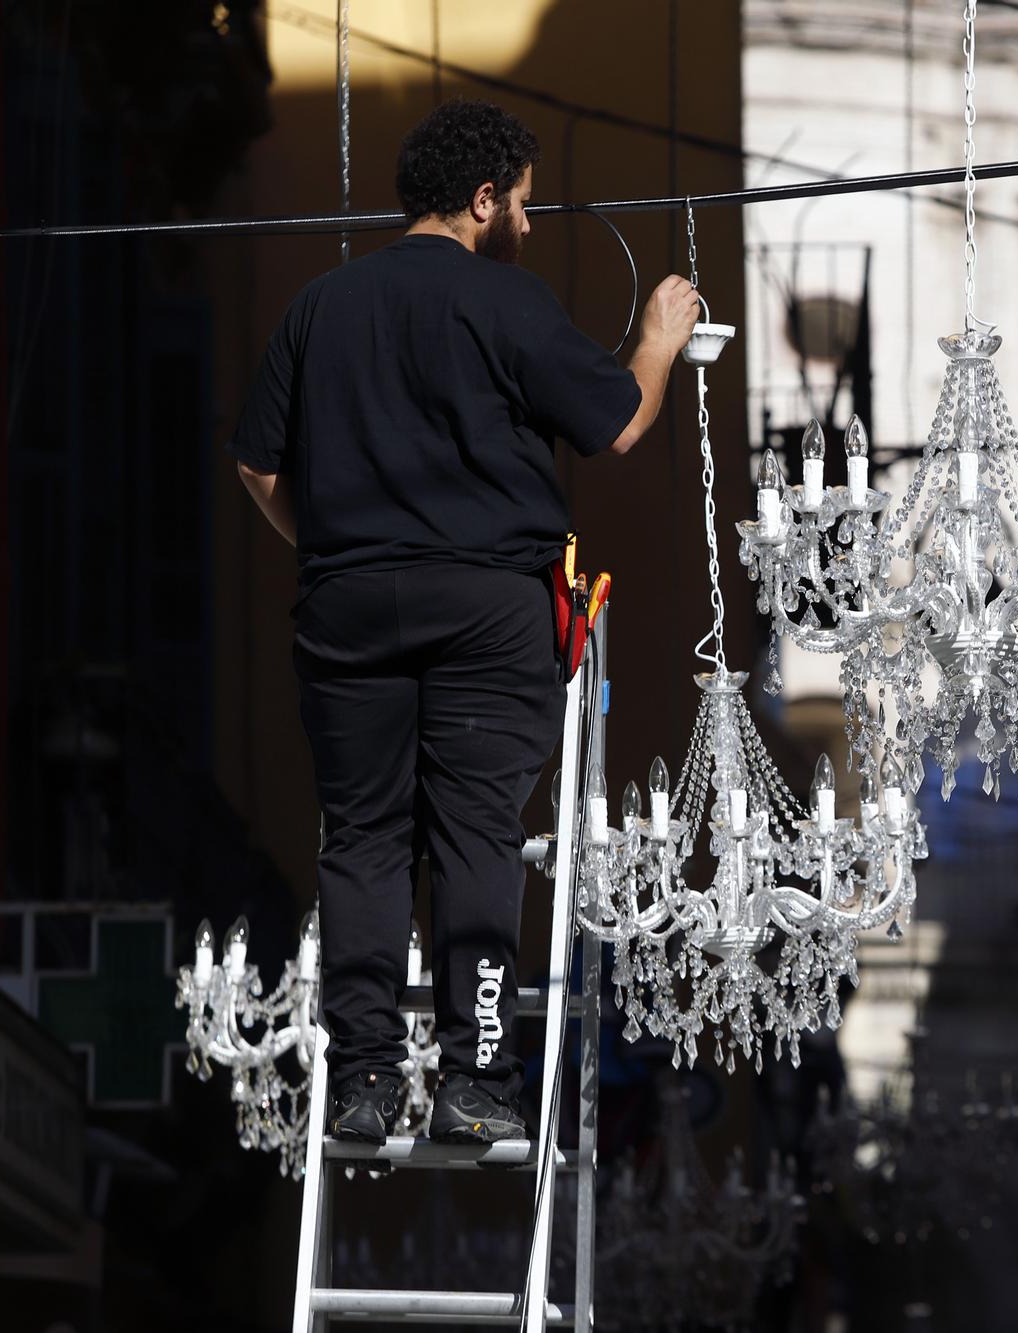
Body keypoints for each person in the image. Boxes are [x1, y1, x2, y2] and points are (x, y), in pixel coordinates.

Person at [229, 100, 699, 1144]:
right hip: (487, 607)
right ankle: (474, 1078)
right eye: (522, 205)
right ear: (482, 200)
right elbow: (621, 423)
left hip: (347, 606)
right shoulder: (505, 301)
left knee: (362, 835)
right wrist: (657, 341)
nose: (527, 226)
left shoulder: (319, 305)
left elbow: (256, 464)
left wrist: (331, 547)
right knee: (475, 830)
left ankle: (361, 1077)